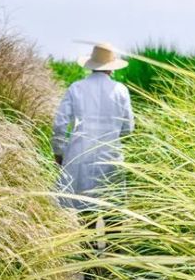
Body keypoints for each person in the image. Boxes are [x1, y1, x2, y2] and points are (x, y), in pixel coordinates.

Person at [52, 43, 134, 221]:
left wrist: (59, 152)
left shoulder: (76, 88)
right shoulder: (121, 91)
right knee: (112, 207)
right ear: (111, 69)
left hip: (80, 155)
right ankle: (112, 248)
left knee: (84, 208)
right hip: (111, 156)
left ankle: (88, 247)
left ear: (91, 66)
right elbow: (128, 128)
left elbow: (60, 124)